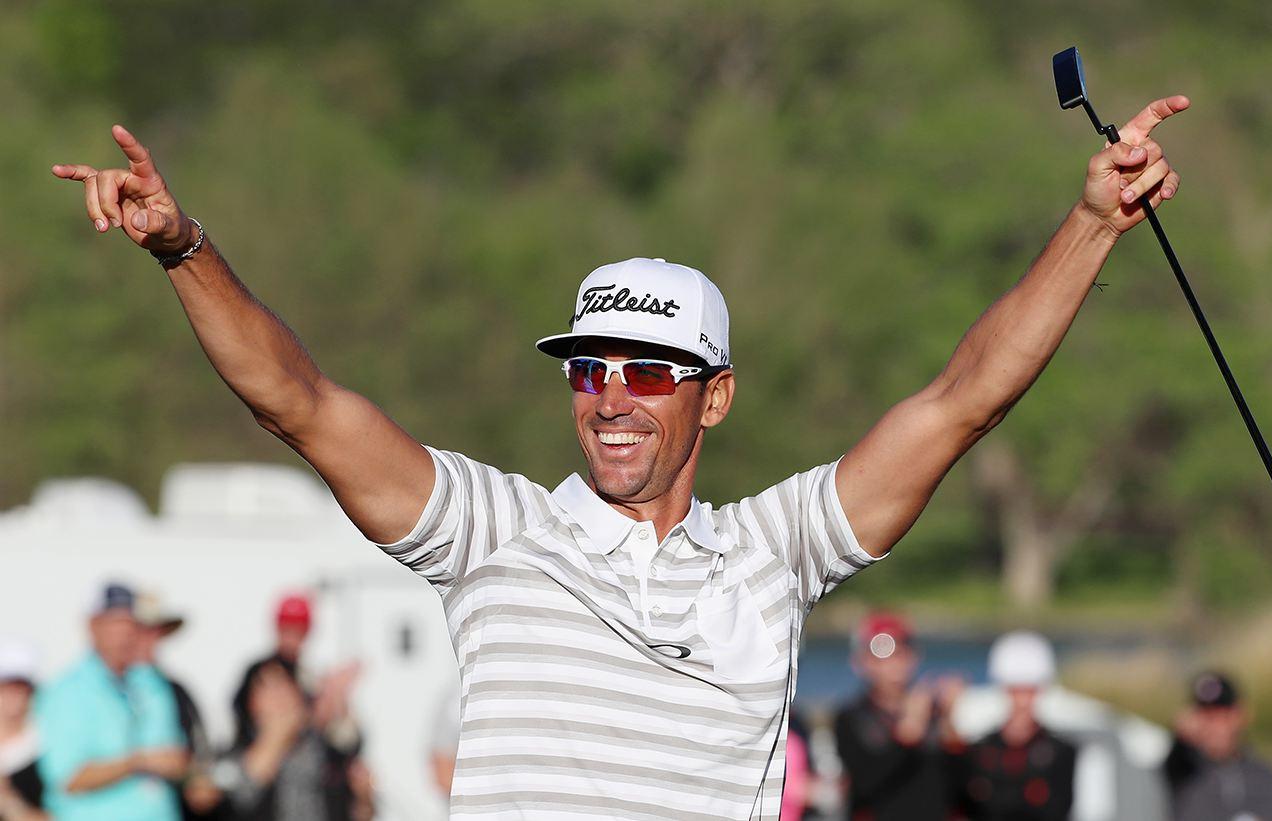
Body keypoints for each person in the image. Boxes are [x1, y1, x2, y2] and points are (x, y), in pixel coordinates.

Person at [51, 91, 1186, 818]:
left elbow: (959, 404)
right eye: (589, 367)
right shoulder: (492, 528)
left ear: (714, 398)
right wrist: (184, 248)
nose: (610, 398)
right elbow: (295, 402)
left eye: (648, 372)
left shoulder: (772, 549)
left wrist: (1089, 225)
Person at [33, 583, 187, 821]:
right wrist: (138, 762)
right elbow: (67, 778)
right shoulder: (69, 691)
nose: (126, 633)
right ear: (93, 625)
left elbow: (174, 754)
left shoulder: (151, 683)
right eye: (116, 623)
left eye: (132, 624)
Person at [834, 613, 960, 820]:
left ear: (915, 657)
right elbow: (865, 782)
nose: (893, 666)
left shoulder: (934, 712)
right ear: (860, 663)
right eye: (881, 659)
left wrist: (949, 725)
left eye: (900, 655)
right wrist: (907, 734)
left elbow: (963, 787)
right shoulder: (851, 718)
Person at [214, 663, 372, 821]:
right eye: (268, 688)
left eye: (285, 684)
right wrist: (277, 735)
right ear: (251, 703)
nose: (279, 695)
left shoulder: (325, 750)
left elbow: (360, 809)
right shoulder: (231, 759)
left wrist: (363, 798)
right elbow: (238, 794)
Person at [949, 631, 1077, 821]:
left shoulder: (1060, 752)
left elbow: (1055, 809)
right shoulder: (980, 751)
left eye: (1030, 692)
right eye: (1016, 692)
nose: (1023, 703)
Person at [1163, 671, 1272, 821]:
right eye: (1206, 715)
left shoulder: (1270, 779)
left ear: (1241, 714)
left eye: (1221, 715)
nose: (1213, 726)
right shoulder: (1181, 773)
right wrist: (1179, 740)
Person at [134, 594, 222, 820]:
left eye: (155, 631)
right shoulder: (104, 691)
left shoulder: (174, 691)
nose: (148, 638)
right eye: (141, 630)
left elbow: (200, 754)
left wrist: (197, 780)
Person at [0, 638, 47, 821]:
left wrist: (10, 802)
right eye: (5, 688)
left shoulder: (44, 745)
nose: (13, 696)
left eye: (20, 688)